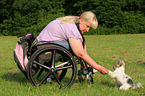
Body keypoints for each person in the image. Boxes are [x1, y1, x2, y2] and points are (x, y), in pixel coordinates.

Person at [36, 11, 108, 74]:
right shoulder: (72, 29)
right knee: (76, 49)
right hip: (43, 46)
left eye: (90, 28)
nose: (87, 30)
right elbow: (80, 54)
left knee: (79, 45)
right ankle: (88, 66)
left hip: (41, 44)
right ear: (81, 20)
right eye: (87, 26)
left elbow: (82, 48)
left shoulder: (72, 22)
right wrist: (99, 68)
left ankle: (86, 66)